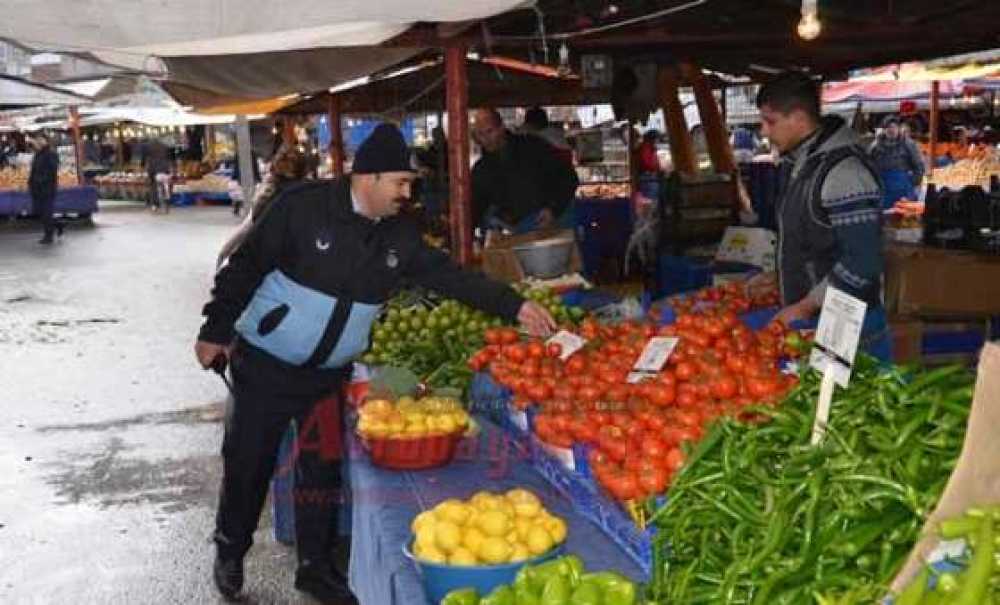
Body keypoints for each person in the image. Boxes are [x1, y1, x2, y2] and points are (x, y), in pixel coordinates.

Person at [194, 123, 556, 603]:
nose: (407, 194)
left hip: (327, 377)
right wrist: (214, 330)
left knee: (320, 474)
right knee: (248, 463)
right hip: (267, 363)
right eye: (401, 183)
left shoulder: (399, 235)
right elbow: (245, 266)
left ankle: (315, 567)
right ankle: (230, 551)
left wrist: (514, 306)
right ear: (369, 177)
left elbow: (449, 277)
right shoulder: (302, 207)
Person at [748, 71, 890, 359]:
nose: (764, 131)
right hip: (818, 320)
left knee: (844, 399)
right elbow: (818, 241)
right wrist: (782, 274)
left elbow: (862, 262)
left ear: (798, 118)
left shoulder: (844, 173)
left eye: (770, 121)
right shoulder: (803, 164)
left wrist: (804, 306)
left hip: (847, 325)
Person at [471, 108, 579, 233]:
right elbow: (475, 207)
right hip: (520, 232)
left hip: (558, 223)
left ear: (501, 127)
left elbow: (569, 177)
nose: (486, 139)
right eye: (480, 134)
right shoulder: (481, 170)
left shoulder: (532, 147)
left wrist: (553, 209)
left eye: (489, 131)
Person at [216, 143, 309, 267]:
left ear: (273, 171)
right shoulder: (309, 199)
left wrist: (223, 253)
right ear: (304, 173)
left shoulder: (266, 198)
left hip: (269, 267)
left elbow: (245, 229)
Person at [870, 116, 925, 208]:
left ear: (899, 129)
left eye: (894, 127)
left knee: (906, 217)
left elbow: (919, 165)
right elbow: (869, 166)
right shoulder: (875, 146)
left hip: (904, 189)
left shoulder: (908, 144)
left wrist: (912, 182)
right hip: (884, 189)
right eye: (888, 127)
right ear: (884, 130)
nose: (891, 130)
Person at [28, 133, 61, 245]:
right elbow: (33, 170)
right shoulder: (37, 154)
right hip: (37, 189)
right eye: (37, 140)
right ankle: (58, 225)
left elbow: (52, 171)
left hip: (47, 188)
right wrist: (30, 182)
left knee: (46, 212)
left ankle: (49, 236)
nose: (38, 142)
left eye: (41, 140)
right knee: (39, 212)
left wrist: (41, 180)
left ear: (46, 141)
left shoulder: (51, 154)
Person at [145, 137, 172, 213]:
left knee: (153, 186)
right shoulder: (164, 146)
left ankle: (154, 204)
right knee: (166, 185)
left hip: (154, 170)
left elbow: (145, 159)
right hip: (165, 169)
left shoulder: (148, 147)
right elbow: (170, 158)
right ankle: (167, 200)